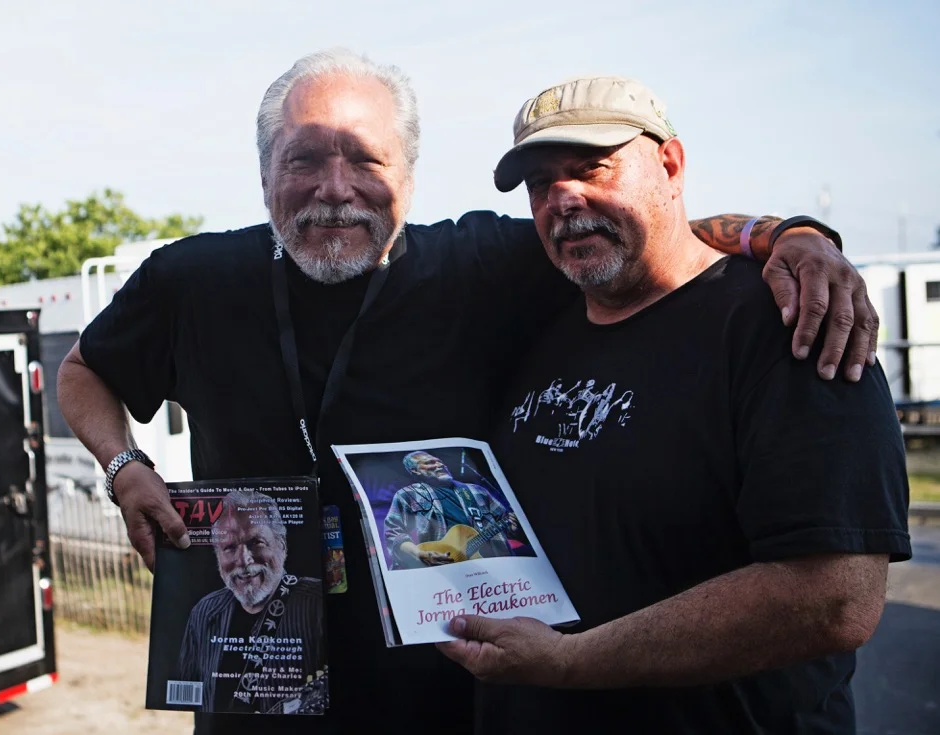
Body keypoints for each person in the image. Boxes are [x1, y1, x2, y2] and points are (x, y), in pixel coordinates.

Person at [55, 49, 880, 735]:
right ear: (266, 169)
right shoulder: (193, 281)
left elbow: (647, 233)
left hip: (447, 693)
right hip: (259, 695)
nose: (334, 187)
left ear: (407, 176)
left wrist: (792, 238)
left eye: (366, 159)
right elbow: (83, 372)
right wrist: (126, 464)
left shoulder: (485, 265)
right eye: (304, 158)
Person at [436, 75, 912, 734]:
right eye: (541, 183)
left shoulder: (786, 317)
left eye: (591, 167)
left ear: (670, 164)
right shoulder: (539, 318)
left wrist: (570, 662)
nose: (564, 197)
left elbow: (833, 597)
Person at [179, 490, 324, 714]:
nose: (244, 560)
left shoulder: (318, 603)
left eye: (256, 542)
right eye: (229, 548)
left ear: (282, 545)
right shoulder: (204, 612)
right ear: (217, 556)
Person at [384, 451, 519, 569]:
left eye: (440, 462)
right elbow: (393, 534)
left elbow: (507, 526)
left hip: (495, 565)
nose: (440, 465)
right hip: (443, 570)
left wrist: (514, 527)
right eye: (430, 462)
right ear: (416, 471)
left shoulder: (477, 491)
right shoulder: (408, 495)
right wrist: (420, 554)